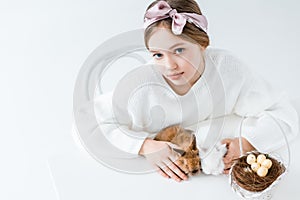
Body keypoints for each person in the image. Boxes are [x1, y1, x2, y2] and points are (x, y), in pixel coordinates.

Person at [93, 0, 299, 182]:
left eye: (179, 50)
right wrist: (145, 146)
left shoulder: (228, 70)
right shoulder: (142, 86)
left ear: (202, 44)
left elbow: (284, 112)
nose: (169, 65)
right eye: (157, 55)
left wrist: (247, 142)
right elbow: (91, 123)